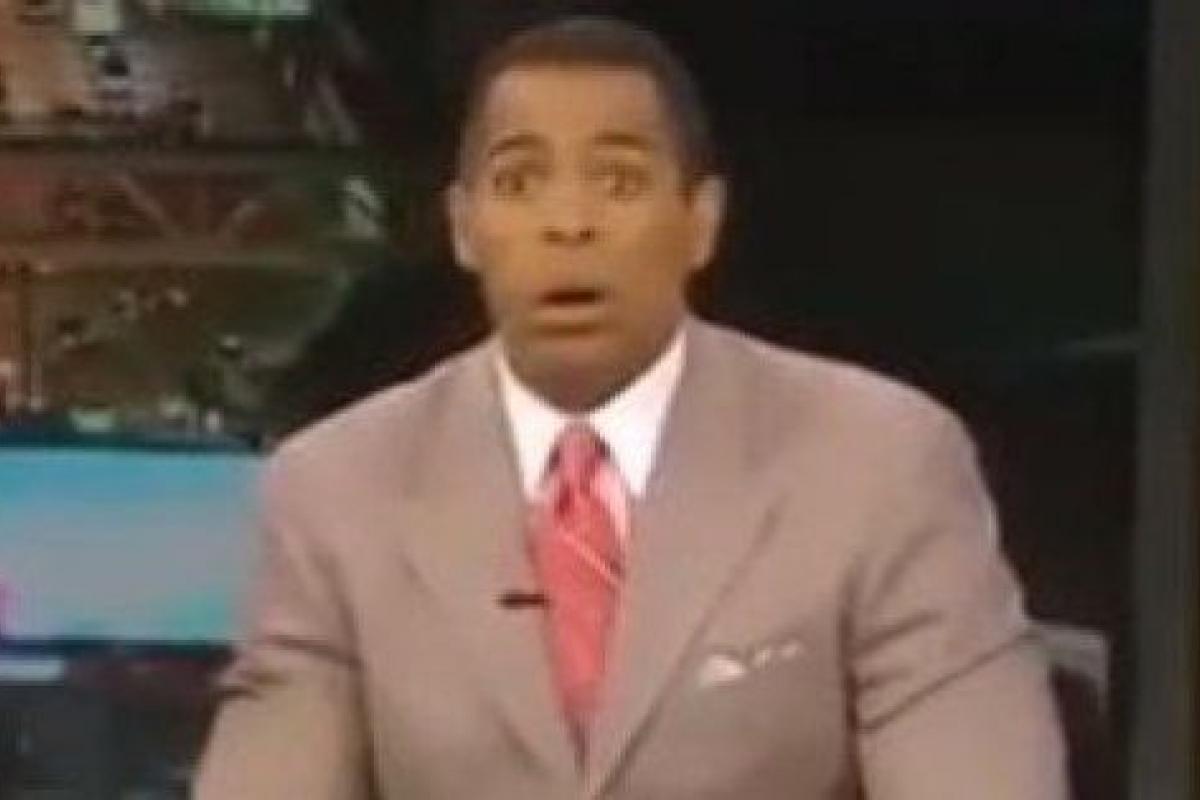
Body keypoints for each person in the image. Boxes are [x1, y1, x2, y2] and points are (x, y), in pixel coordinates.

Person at [195, 16, 1066, 799]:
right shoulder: (337, 491)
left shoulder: (879, 462)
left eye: (617, 182)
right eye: (520, 182)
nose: (569, 223)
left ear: (701, 220)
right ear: (464, 227)